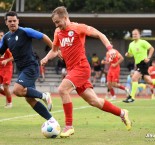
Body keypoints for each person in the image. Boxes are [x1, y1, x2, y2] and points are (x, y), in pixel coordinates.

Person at [41, 6, 132, 138]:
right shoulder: (57, 32)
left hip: (81, 68)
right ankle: (122, 113)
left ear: (65, 18)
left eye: (58, 22)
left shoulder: (78, 28)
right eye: (55, 23)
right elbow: (55, 50)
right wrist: (46, 58)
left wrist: (110, 49)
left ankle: (69, 126)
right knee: (94, 101)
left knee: (62, 90)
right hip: (72, 70)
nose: (56, 25)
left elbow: (100, 34)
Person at [0, 11, 57, 123]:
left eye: (14, 21)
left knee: (17, 90)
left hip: (31, 66)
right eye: (10, 21)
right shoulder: (6, 38)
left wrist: (54, 49)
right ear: (6, 23)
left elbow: (43, 36)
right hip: (22, 69)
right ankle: (51, 120)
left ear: (18, 21)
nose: (12, 23)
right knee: (29, 99)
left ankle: (44, 95)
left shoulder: (25, 31)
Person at [123, 28, 155, 103]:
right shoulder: (131, 44)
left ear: (139, 35)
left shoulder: (143, 42)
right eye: (133, 34)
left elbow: (151, 48)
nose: (134, 35)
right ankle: (131, 97)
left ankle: (132, 97)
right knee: (149, 81)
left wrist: (149, 57)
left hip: (143, 63)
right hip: (138, 64)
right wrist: (128, 54)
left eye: (136, 34)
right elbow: (130, 54)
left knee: (134, 78)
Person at [0, 30, 13, 108]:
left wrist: (7, 60)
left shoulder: (7, 46)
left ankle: (9, 103)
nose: (1, 37)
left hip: (7, 68)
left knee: (5, 86)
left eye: (2, 36)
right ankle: (8, 95)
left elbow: (14, 56)